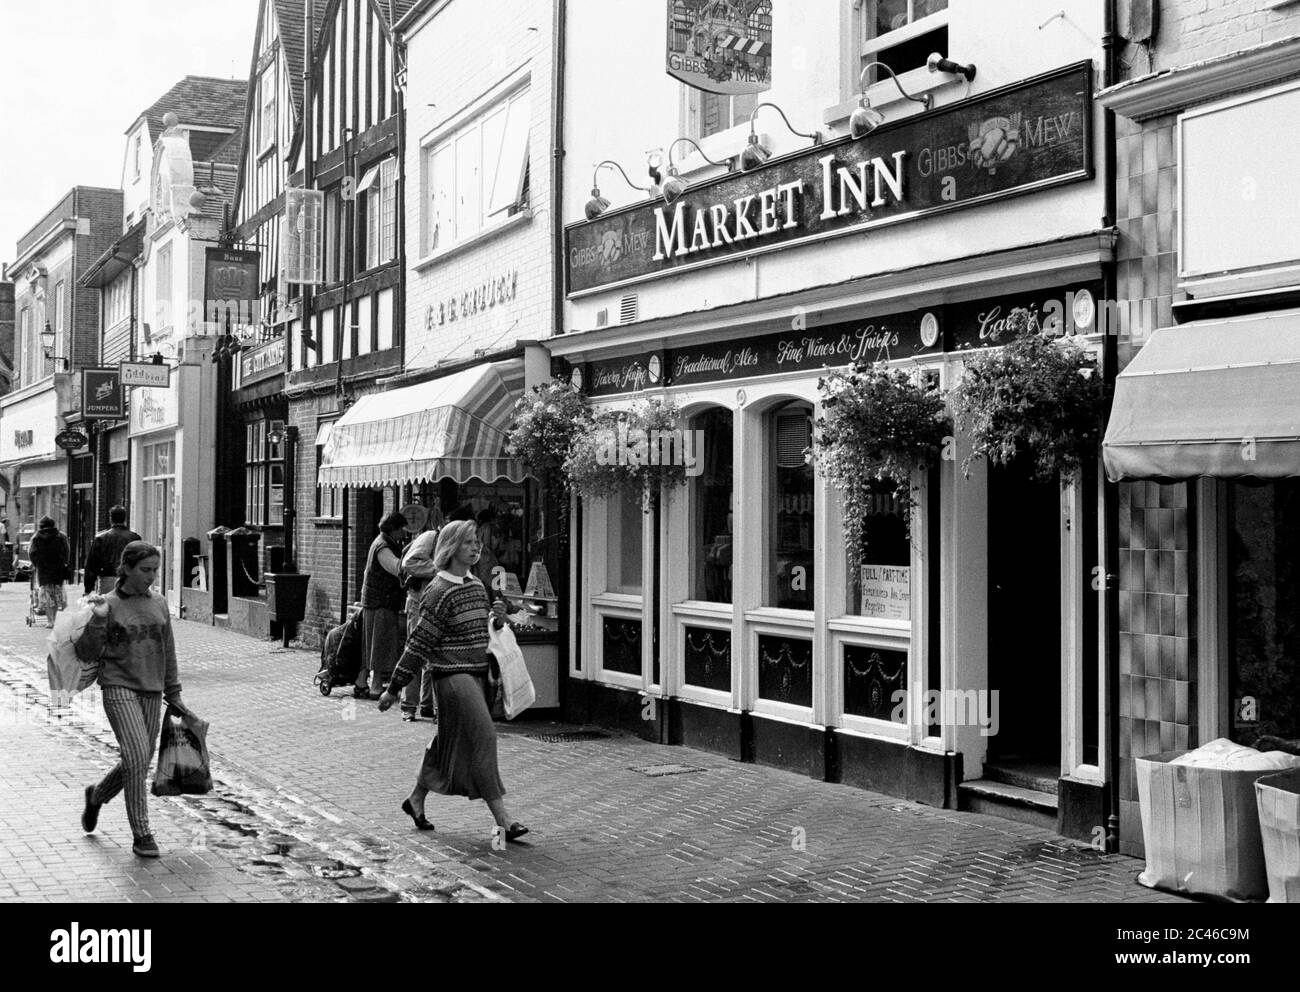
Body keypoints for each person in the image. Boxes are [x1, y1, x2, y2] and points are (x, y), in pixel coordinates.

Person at [378, 520, 528, 843]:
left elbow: (483, 629)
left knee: (449, 742)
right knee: (485, 735)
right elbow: (419, 643)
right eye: (468, 543)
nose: (476, 548)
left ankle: (415, 799)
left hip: (476, 674)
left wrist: (499, 618)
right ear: (451, 548)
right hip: (451, 676)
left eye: (477, 542)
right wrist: (394, 688)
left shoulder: (476, 586)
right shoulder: (438, 590)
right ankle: (503, 819)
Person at [75, 542, 185, 859]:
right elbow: (86, 653)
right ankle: (142, 834)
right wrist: (97, 619)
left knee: (138, 759)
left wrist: (174, 692)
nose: (151, 576)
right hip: (118, 686)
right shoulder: (106, 604)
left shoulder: (160, 604)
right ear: (126, 568)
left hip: (152, 689)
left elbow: (169, 651)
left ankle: (96, 796)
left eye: (155, 570)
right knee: (137, 756)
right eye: (145, 570)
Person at [355, 511, 409, 700]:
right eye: (402, 528)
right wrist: (413, 558)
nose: (405, 532)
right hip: (380, 602)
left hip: (376, 600)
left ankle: (361, 682)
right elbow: (396, 568)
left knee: (370, 644)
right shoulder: (383, 546)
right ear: (393, 529)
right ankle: (376, 686)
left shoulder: (384, 542)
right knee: (380, 644)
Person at [399, 522, 440, 722]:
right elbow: (409, 562)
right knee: (416, 652)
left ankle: (427, 704)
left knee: (436, 655)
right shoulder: (431, 537)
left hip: (437, 603)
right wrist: (438, 569)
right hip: (418, 602)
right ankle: (409, 706)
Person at [83, 506, 142, 595]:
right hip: (128, 579)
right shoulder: (135, 538)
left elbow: (92, 565)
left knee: (107, 606)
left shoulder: (101, 539)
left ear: (111, 519)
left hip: (107, 579)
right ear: (125, 519)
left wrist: (88, 588)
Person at [28, 516, 70, 629]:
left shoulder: (36, 537)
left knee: (46, 593)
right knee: (56, 592)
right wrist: (65, 562)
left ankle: (50, 621)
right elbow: (67, 551)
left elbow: (31, 553)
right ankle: (54, 619)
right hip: (58, 568)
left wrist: (36, 564)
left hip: (43, 569)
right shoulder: (61, 536)